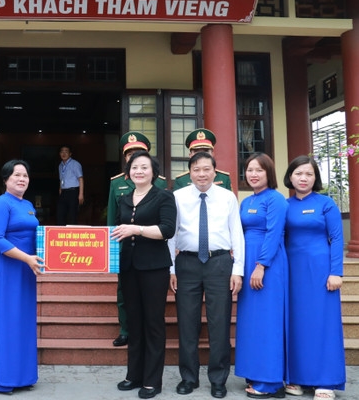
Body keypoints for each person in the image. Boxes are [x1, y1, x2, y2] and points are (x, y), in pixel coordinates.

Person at [169, 151, 244, 399]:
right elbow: (171, 235)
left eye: (206, 169)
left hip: (219, 263)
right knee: (187, 323)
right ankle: (188, 378)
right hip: (187, 263)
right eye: (196, 170)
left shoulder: (227, 197)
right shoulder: (178, 197)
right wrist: (171, 268)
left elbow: (237, 234)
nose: (202, 174)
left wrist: (238, 270)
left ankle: (218, 379)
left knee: (219, 323)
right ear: (189, 173)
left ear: (214, 171)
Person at [111, 151, 176, 399]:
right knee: (134, 322)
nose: (139, 171)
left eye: (144, 167)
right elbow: (117, 230)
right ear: (128, 173)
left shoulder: (164, 196)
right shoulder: (124, 198)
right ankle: (134, 375)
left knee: (153, 322)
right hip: (129, 267)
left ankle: (152, 380)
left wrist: (136, 229)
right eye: (134, 167)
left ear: (153, 172)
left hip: (154, 268)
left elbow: (167, 229)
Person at [283, 155, 345, 400]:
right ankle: (297, 378)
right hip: (292, 271)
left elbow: (337, 238)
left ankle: (325, 381)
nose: (303, 178)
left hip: (320, 271)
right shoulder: (284, 205)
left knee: (322, 324)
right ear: (290, 176)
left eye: (309, 174)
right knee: (297, 324)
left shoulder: (326, 203)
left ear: (315, 178)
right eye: (298, 173)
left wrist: (336, 272)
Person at [0, 160, 44, 394]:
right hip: (7, 269)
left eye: (25, 175)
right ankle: (2, 379)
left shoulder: (28, 204)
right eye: (16, 175)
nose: (21, 179)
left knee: (23, 321)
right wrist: (27, 258)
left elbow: (35, 235)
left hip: (26, 270)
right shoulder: (1, 203)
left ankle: (23, 376)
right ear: (6, 179)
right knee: (6, 321)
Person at [234, 153, 288, 399]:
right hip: (247, 263)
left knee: (268, 321)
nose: (253, 174)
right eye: (249, 170)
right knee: (252, 321)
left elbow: (274, 234)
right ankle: (255, 372)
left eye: (259, 170)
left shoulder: (276, 199)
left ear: (269, 173)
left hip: (268, 265)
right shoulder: (246, 201)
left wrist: (261, 265)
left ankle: (270, 382)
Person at [108, 131, 167, 348]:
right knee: (124, 292)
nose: (133, 158)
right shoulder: (116, 183)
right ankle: (126, 330)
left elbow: (165, 223)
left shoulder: (161, 185)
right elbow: (112, 219)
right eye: (129, 155)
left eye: (138, 153)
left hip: (151, 251)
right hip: (125, 250)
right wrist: (112, 250)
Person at [56, 145, 84, 225]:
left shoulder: (75, 164)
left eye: (66, 151)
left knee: (72, 215)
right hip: (64, 192)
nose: (64, 154)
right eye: (62, 151)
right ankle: (61, 231)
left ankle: (72, 232)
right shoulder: (60, 165)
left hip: (73, 192)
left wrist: (81, 194)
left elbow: (81, 179)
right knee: (60, 214)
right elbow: (61, 179)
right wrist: (60, 190)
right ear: (59, 153)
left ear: (70, 154)